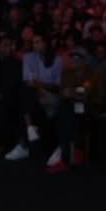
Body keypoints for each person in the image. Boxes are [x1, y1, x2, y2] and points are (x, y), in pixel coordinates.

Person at [5, 33, 63, 161]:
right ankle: (29, 128)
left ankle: (25, 141)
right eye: (33, 43)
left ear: (45, 43)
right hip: (34, 95)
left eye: (37, 42)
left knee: (24, 100)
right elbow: (28, 81)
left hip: (50, 96)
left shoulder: (57, 60)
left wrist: (40, 86)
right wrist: (39, 89)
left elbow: (57, 86)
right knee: (24, 92)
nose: (34, 45)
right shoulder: (29, 57)